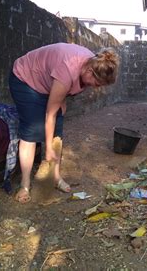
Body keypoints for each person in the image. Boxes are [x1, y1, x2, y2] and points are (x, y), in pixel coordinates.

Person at [9, 43, 119, 203]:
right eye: (97, 84)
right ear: (90, 71)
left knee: (57, 131)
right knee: (31, 130)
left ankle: (55, 177)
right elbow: (50, 114)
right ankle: (24, 184)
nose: (95, 88)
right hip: (26, 80)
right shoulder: (67, 70)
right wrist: (47, 149)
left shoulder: (93, 62)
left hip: (48, 83)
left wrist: (63, 100)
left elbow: (61, 95)